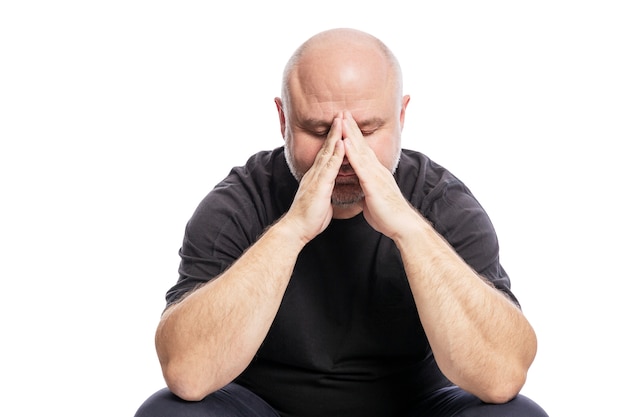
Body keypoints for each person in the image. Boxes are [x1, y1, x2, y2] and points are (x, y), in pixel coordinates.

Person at [135, 28, 548, 417]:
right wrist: (293, 228)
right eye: (318, 130)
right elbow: (186, 375)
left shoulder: (441, 201)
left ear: (401, 116)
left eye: (367, 129)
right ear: (283, 120)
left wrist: (407, 226)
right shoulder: (239, 203)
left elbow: (503, 376)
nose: (344, 151)